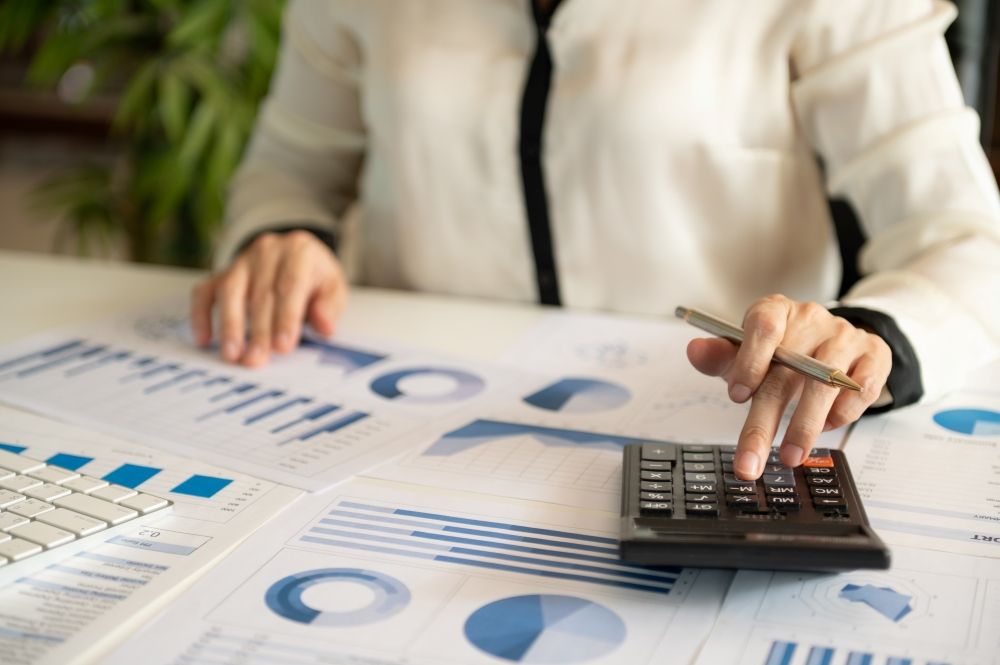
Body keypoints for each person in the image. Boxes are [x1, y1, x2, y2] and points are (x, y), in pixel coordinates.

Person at [190, 0, 1000, 481]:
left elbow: (968, 239)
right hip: (405, 437)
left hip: (711, 443)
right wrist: (283, 235)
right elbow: (288, 171)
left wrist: (875, 337)